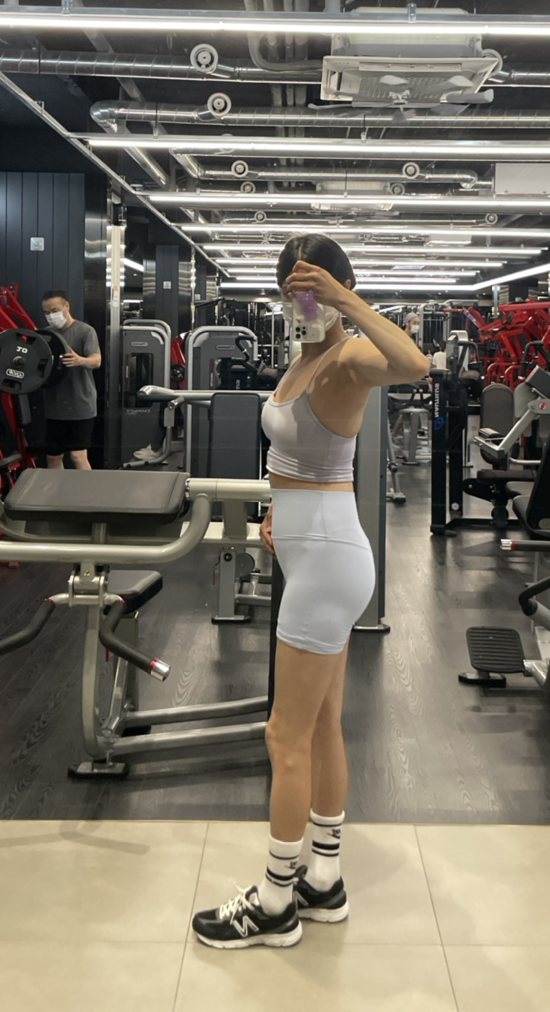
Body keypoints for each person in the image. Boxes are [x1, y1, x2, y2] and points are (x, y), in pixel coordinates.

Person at [191, 235, 430, 950]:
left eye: (312, 291)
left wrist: (344, 300)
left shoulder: (350, 356)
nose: (303, 306)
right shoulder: (302, 358)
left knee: (283, 734)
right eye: (292, 293)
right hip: (309, 546)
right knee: (321, 724)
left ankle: (274, 901)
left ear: (337, 289)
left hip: (328, 560)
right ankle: (323, 879)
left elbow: (415, 365)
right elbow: (299, 456)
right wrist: (278, 510)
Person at [40, 289, 101, 470]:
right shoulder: (45, 335)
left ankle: (87, 489)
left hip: (80, 405)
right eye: (46, 312)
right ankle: (56, 489)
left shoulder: (85, 331)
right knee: (53, 457)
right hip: (55, 407)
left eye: (54, 310)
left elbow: (96, 361)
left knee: (78, 456)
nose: (51, 316)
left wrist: (79, 360)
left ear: (67, 306)